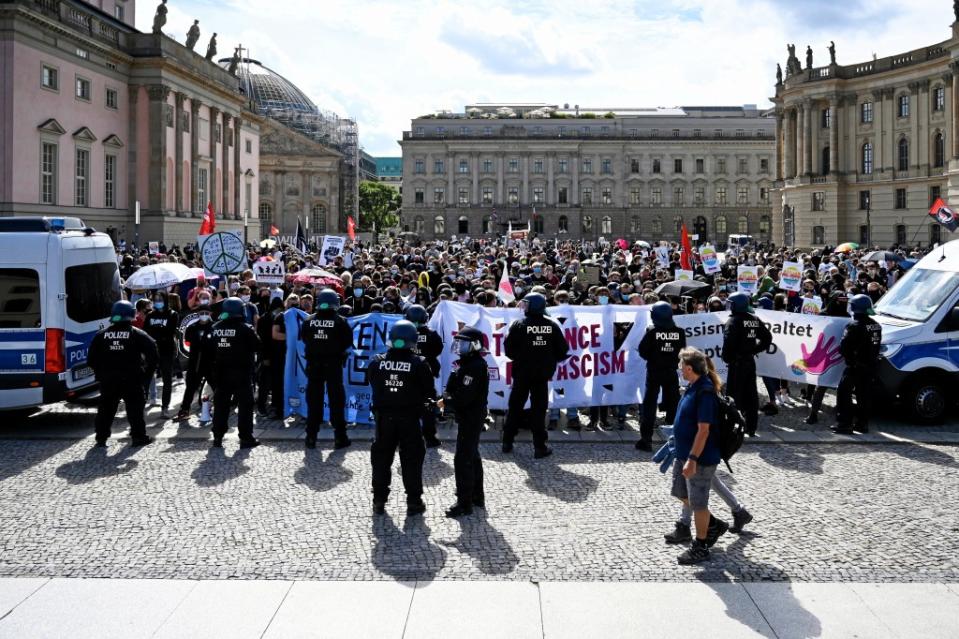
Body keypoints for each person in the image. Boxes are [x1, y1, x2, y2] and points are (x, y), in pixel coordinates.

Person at [367, 320, 435, 516]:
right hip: (409, 419)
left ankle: (379, 500)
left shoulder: (377, 362)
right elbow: (428, 391)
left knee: (381, 459)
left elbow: (372, 382)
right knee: (412, 460)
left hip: (383, 420)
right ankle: (414, 501)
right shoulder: (419, 364)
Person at [670, 347, 728, 565]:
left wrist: (693, 459)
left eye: (680, 366)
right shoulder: (693, 386)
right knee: (680, 492)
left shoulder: (705, 392)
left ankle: (701, 546)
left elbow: (703, 430)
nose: (679, 369)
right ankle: (714, 524)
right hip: (683, 453)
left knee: (699, 503)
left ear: (688, 368)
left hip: (700, 458)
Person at [502, 292, 570, 458]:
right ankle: (540, 447)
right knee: (539, 411)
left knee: (515, 408)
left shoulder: (518, 325)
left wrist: (522, 358)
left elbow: (508, 350)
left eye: (526, 304)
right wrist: (547, 359)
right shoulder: (551, 326)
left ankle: (507, 442)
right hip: (541, 376)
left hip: (522, 374)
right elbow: (563, 351)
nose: (523, 307)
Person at [87, 301, 159, 447]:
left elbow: (91, 360)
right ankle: (138, 437)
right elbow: (153, 355)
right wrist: (146, 376)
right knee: (135, 410)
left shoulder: (101, 335)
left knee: (105, 409)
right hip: (132, 379)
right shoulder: (137, 334)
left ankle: (101, 438)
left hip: (108, 380)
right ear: (131, 315)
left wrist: (101, 374)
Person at [441, 326, 489, 518]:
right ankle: (477, 495)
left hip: (471, 416)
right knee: (473, 455)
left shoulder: (474, 366)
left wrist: (445, 401)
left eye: (464, 343)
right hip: (469, 415)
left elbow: (463, 396)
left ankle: (464, 502)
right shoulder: (466, 363)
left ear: (475, 345)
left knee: (463, 459)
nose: (459, 346)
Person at [203, 297, 261, 448]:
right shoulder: (246, 328)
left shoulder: (214, 328)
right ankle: (246, 437)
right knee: (245, 406)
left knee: (221, 406)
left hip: (221, 373)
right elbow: (258, 346)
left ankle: (217, 437)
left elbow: (207, 352)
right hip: (242, 372)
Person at [300, 289, 353, 450]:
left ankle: (311, 437)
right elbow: (348, 342)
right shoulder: (341, 321)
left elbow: (305, 339)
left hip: (314, 366)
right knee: (336, 401)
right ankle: (340, 437)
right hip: (334, 365)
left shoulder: (308, 321)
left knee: (313, 402)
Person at [637, 301, 686, 451]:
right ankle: (675, 438)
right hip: (671, 371)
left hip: (654, 371)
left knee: (649, 405)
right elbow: (682, 351)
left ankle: (646, 440)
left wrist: (654, 358)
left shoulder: (652, 331)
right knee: (674, 404)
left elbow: (642, 351)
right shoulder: (679, 332)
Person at [722, 292, 772, 437]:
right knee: (751, 395)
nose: (729, 306)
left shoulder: (733, 321)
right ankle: (751, 427)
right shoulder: (754, 319)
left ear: (737, 305)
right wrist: (753, 350)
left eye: (731, 303)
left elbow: (728, 343)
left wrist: (728, 358)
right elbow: (767, 338)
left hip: (736, 363)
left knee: (733, 396)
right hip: (749, 362)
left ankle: (731, 427)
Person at [833, 294, 882, 434]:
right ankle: (862, 424)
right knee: (864, 396)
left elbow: (844, 347)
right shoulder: (876, 325)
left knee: (844, 393)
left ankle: (844, 424)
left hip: (855, 366)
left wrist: (850, 359)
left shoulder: (853, 325)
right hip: (871, 366)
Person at [406, 304, 443, 447]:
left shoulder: (404, 333)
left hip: (408, 374)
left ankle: (408, 436)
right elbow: (437, 350)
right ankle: (430, 438)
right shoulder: (432, 334)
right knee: (428, 406)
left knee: (408, 407)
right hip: (427, 375)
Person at [143, 290, 179, 419]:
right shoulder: (150, 316)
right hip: (151, 351)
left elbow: (170, 332)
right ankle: (141, 404)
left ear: (165, 300)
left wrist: (157, 336)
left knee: (167, 380)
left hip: (166, 350)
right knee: (146, 379)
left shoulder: (173, 314)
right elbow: (145, 332)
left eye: (160, 299)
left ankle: (165, 407)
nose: (157, 302)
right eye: (155, 300)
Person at [176, 305, 215, 420]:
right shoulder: (192, 328)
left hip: (211, 363)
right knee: (191, 388)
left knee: (216, 386)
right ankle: (184, 410)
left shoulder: (214, 327)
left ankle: (221, 408)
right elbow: (188, 342)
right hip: (195, 362)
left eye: (206, 313)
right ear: (198, 314)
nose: (204, 315)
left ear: (210, 314)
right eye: (201, 312)